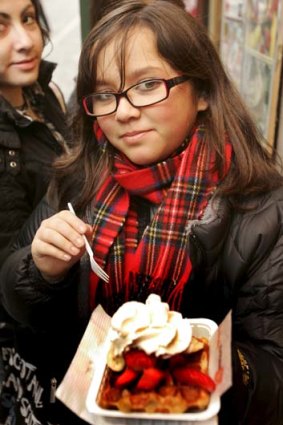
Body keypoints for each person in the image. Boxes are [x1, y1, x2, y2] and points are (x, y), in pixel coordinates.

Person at [0, 1, 283, 424]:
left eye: (148, 85)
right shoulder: (78, 179)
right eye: (105, 94)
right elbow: (16, 301)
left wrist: (198, 361)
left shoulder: (262, 209)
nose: (125, 111)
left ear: (203, 91)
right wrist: (39, 271)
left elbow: (274, 376)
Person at [0, 0, 69, 423]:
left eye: (28, 18)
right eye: (0, 26)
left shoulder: (43, 93)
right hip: (26, 342)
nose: (26, 41)